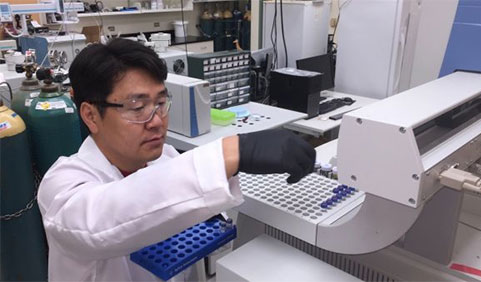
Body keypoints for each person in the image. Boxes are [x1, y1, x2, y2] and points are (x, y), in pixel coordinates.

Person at [37, 38, 315, 281]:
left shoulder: (165, 158)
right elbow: (100, 222)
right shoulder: (63, 185)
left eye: (160, 102)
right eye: (137, 107)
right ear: (91, 116)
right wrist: (232, 152)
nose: (157, 121)